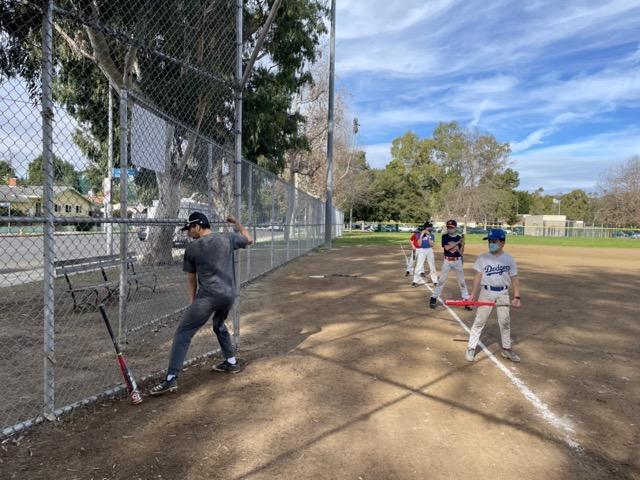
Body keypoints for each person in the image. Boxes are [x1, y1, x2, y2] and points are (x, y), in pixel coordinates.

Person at [151, 212, 253, 395]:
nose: (188, 233)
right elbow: (249, 239)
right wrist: (237, 222)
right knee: (219, 324)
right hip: (229, 295)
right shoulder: (227, 238)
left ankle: (171, 378)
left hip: (208, 297)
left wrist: (193, 303)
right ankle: (231, 363)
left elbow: (192, 279)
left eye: (190, 229)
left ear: (198, 226)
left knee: (183, 333)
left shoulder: (192, 248)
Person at [465, 228, 521, 363]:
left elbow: (514, 278)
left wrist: (517, 296)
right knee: (480, 321)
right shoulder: (483, 258)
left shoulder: (509, 259)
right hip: (486, 292)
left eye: (494, 241)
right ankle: (471, 348)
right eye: (489, 241)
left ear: (502, 243)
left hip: (503, 293)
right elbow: (477, 278)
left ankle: (506, 349)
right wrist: (472, 295)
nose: (491, 244)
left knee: (505, 322)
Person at [429, 219, 471, 310]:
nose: (449, 229)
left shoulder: (459, 238)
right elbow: (447, 248)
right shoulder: (445, 237)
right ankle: (433, 297)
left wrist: (463, 244)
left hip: (458, 260)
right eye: (448, 227)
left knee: (462, 281)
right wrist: (457, 243)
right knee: (441, 280)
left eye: (451, 227)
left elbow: (461, 252)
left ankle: (466, 299)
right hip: (447, 261)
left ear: (455, 228)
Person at [412, 221, 438, 287]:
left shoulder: (431, 235)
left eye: (431, 227)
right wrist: (421, 235)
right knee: (419, 266)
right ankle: (415, 281)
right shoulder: (419, 234)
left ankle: (435, 281)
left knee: (432, 265)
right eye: (430, 227)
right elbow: (419, 244)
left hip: (429, 250)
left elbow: (432, 245)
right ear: (426, 228)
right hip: (422, 250)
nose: (431, 228)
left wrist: (429, 236)